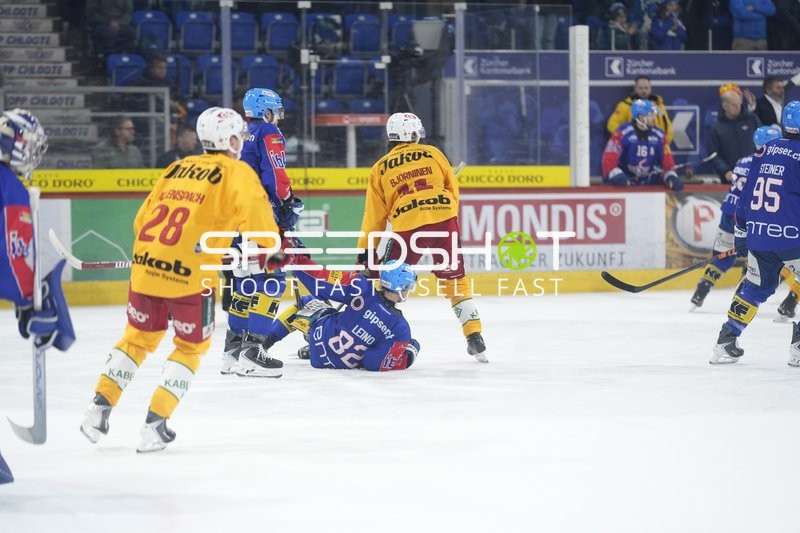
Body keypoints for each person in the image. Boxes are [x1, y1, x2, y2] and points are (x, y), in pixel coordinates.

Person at [79, 107, 281, 452]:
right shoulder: (237, 172)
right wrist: (270, 248)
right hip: (190, 276)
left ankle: (98, 410)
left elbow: (141, 221)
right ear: (230, 139)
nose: (242, 141)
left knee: (136, 340)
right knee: (190, 347)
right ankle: (155, 424)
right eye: (239, 136)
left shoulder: (176, 167)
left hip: (145, 268)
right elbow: (256, 213)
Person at [357, 112, 488, 363]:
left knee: (387, 285)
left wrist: (365, 254)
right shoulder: (433, 153)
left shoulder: (380, 168)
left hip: (407, 225)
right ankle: (474, 336)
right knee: (456, 282)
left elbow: (374, 219)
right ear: (414, 134)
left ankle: (369, 336)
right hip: (444, 220)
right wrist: (445, 216)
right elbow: (452, 191)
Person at [220, 88, 304, 378]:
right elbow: (275, 174)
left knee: (244, 282)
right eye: (276, 111)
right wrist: (286, 202)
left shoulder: (237, 133)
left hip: (232, 218)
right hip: (257, 217)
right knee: (271, 280)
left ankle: (232, 353)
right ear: (267, 112)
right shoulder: (269, 131)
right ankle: (254, 352)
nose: (278, 117)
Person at [711, 99, 800, 365]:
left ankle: (726, 341)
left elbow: (745, 196)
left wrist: (740, 233)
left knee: (754, 289)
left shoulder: (765, 150)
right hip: (793, 238)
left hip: (759, 236)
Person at [0, 108, 75, 352]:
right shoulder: (9, 186)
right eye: (29, 144)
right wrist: (28, 297)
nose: (33, 153)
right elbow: (11, 254)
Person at [266, 259, 419, 371]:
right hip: (335, 362)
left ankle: (266, 341)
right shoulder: (400, 329)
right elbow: (373, 363)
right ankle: (311, 347)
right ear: (401, 287)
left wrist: (296, 261)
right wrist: (408, 354)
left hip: (320, 338)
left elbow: (319, 281)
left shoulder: (361, 287)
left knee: (308, 301)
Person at [690, 124, 782, 309]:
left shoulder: (743, 160)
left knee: (721, 257)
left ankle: (702, 290)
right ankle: (741, 298)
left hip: (728, 213)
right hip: (747, 217)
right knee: (755, 259)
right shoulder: (767, 164)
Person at [602, 98, 683, 190]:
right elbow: (609, 157)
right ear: (640, 117)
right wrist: (615, 174)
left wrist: (670, 175)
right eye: (650, 115)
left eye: (654, 115)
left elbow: (667, 161)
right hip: (625, 186)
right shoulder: (622, 133)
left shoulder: (659, 135)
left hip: (650, 187)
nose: (654, 118)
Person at [708, 84, 762, 183]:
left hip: (754, 174)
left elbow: (764, 143)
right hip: (731, 178)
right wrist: (725, 171)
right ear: (725, 106)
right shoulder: (716, 127)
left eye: (739, 103)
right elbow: (713, 154)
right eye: (734, 105)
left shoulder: (752, 119)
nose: (738, 107)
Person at [606, 76, 673, 146]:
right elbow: (612, 125)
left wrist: (664, 143)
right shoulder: (625, 106)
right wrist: (627, 139)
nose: (644, 91)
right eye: (640, 88)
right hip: (632, 147)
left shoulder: (658, 107)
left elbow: (668, 127)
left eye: (646, 88)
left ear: (650, 89)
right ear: (635, 89)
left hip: (656, 146)